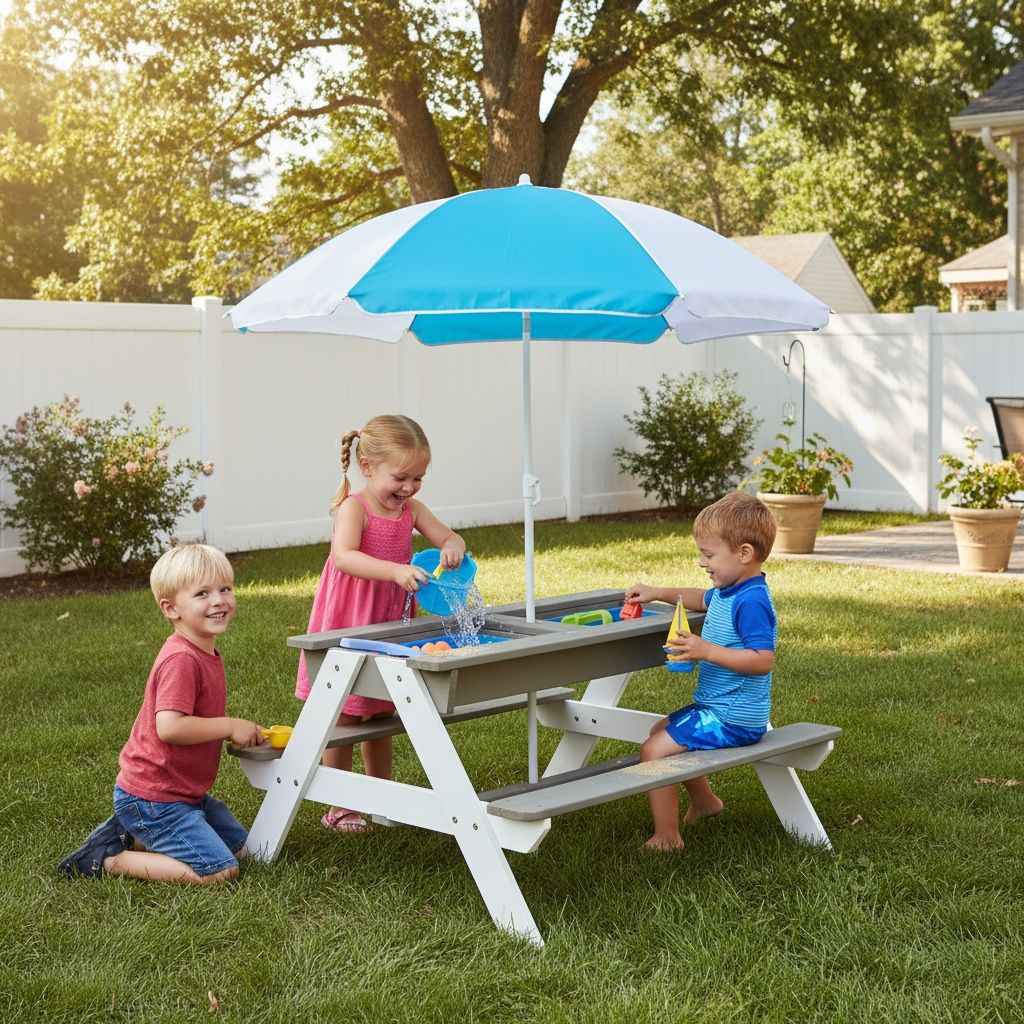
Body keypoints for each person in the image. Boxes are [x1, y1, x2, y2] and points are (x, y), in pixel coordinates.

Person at [56, 543, 266, 882]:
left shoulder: (204, 651)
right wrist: (228, 725)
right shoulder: (182, 659)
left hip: (185, 796)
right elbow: (169, 727)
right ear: (171, 608)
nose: (219, 600)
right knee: (220, 870)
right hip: (153, 798)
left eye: (225, 588)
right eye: (202, 593)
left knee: (245, 849)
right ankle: (106, 858)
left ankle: (136, 835)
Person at [297, 414, 466, 833]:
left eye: (419, 478)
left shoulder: (413, 511)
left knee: (379, 710)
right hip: (349, 619)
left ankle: (381, 798)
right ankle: (340, 805)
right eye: (401, 477)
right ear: (368, 466)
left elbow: (450, 537)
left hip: (388, 621)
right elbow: (344, 557)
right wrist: (393, 571)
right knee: (346, 712)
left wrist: (452, 548)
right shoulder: (353, 508)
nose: (408, 488)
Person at [625, 491, 778, 851]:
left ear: (744, 553)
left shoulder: (751, 600)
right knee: (660, 729)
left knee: (654, 751)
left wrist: (706, 650)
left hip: (734, 717)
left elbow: (762, 660)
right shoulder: (729, 589)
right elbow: (696, 597)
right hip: (718, 708)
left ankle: (667, 837)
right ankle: (707, 803)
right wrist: (656, 591)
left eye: (709, 555)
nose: (702, 563)